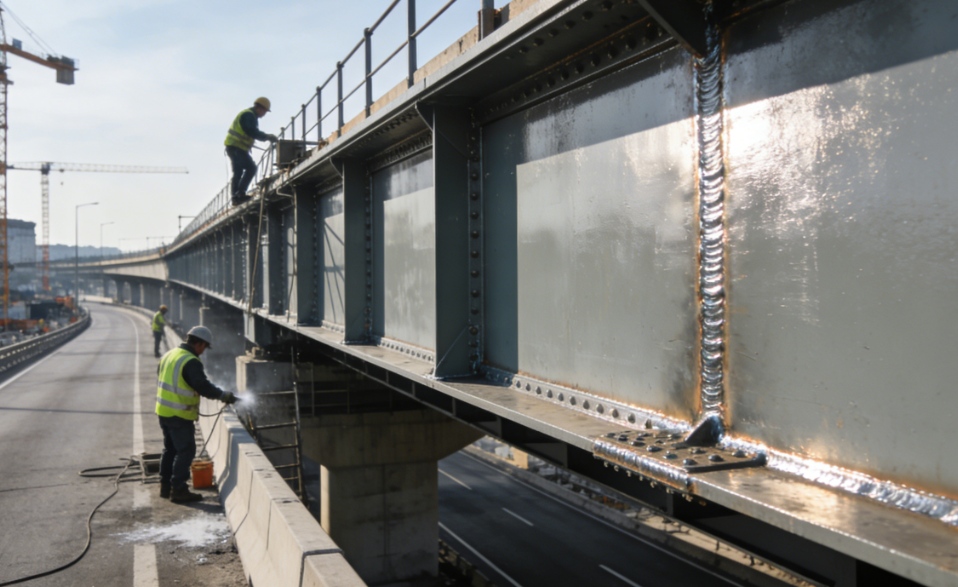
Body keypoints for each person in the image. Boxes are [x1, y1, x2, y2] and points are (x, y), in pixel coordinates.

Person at [156, 325, 237, 503]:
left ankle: (165, 486)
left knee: (170, 449)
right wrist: (223, 395)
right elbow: (203, 386)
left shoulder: (170, 354)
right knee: (186, 450)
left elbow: (164, 377)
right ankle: (178, 490)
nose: (203, 351)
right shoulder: (190, 361)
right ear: (199, 344)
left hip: (164, 411)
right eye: (204, 347)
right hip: (179, 414)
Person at [224, 97, 278, 206]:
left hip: (235, 147)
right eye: (265, 111)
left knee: (238, 172)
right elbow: (251, 131)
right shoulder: (249, 115)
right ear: (260, 108)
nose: (264, 114)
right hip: (236, 147)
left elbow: (249, 132)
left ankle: (236, 197)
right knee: (251, 168)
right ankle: (239, 195)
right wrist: (267, 136)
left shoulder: (249, 115)